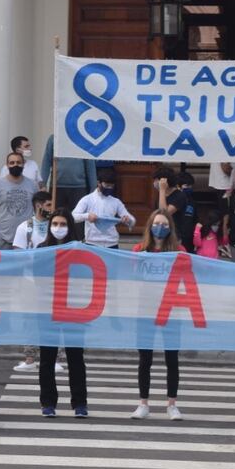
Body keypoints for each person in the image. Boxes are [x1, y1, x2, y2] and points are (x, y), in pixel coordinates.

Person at [131, 209, 186, 421]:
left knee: (172, 358)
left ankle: (172, 404)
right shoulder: (138, 250)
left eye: (164, 224)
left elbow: (186, 276)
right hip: (145, 310)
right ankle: (143, 403)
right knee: (145, 359)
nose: (160, 228)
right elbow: (131, 276)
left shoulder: (178, 251)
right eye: (156, 223)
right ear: (150, 226)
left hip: (171, 310)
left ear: (170, 227)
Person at [36, 209, 89, 419]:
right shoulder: (41, 249)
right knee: (47, 358)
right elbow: (35, 277)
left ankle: (80, 403)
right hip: (47, 311)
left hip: (74, 310)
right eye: (55, 224)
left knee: (76, 357)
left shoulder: (80, 251)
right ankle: (48, 402)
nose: (59, 228)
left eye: (63, 224)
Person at [12, 191, 59, 373]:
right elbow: (17, 254)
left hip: (52, 281)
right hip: (30, 280)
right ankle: (30, 357)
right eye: (48, 205)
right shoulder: (25, 227)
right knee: (30, 319)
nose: (51, 209)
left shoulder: (55, 226)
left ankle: (54, 357)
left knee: (53, 319)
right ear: (39, 205)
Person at [41, 134, 96, 236]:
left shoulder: (83, 137)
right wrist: (42, 183)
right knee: (56, 217)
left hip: (79, 187)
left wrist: (93, 188)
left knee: (78, 220)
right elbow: (47, 160)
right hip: (57, 186)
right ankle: (56, 243)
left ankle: (77, 243)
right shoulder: (54, 138)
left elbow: (90, 163)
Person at [0, 152, 40, 249]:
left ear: (23, 164)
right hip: (3, 240)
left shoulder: (33, 185)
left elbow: (38, 211)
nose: (15, 165)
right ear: (7, 165)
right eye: (12, 162)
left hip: (27, 240)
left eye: (19, 162)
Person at [72, 170, 136, 249]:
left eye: (111, 186)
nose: (109, 188)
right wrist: (87, 216)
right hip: (92, 243)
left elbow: (132, 220)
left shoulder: (116, 202)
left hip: (112, 244)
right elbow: (73, 217)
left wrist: (128, 220)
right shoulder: (87, 199)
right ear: (99, 183)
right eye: (106, 185)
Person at [154, 167, 188, 243]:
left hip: (173, 236)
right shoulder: (161, 195)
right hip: (159, 234)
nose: (155, 183)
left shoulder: (179, 196)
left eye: (157, 180)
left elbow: (164, 213)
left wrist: (162, 190)